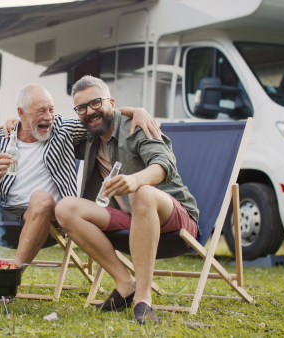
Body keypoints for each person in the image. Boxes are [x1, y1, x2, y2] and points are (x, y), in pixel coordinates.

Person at [0, 83, 161, 304]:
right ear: (21, 114)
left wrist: (136, 110)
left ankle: (6, 283)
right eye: (41, 111)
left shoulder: (63, 129)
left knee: (41, 197)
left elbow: (98, 115)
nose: (49, 117)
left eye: (51, 110)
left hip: (45, 218)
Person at [55, 76, 199, 323]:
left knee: (142, 192)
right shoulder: (88, 136)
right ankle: (125, 282)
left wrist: (135, 180)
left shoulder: (135, 127)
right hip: (131, 220)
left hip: (173, 216)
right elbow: (46, 124)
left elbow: (164, 165)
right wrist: (16, 122)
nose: (90, 112)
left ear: (111, 102)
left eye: (96, 103)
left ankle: (143, 299)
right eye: (82, 107)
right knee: (65, 208)